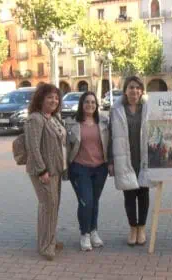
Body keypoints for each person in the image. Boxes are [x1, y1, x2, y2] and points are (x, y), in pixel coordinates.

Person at [108, 76, 152, 246]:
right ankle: (132, 227)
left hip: (144, 157)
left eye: (137, 88)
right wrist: (110, 160)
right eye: (131, 87)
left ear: (142, 91)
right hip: (124, 157)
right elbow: (110, 136)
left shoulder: (148, 109)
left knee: (143, 194)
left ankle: (142, 228)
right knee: (129, 195)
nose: (134, 91)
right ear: (125, 90)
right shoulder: (116, 110)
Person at [25, 83, 66, 261]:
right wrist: (42, 170)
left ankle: (50, 239)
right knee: (47, 206)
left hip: (55, 170)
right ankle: (45, 246)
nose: (54, 100)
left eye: (56, 98)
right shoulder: (36, 118)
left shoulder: (53, 118)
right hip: (43, 171)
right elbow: (33, 146)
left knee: (53, 206)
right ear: (41, 98)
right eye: (50, 97)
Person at [66, 91, 109, 251]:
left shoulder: (104, 122)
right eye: (86, 102)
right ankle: (84, 234)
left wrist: (110, 163)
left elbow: (109, 144)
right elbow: (65, 146)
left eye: (93, 102)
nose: (90, 105)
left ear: (96, 105)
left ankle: (93, 231)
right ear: (81, 105)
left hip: (100, 168)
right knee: (86, 201)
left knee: (94, 201)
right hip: (79, 168)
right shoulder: (71, 123)